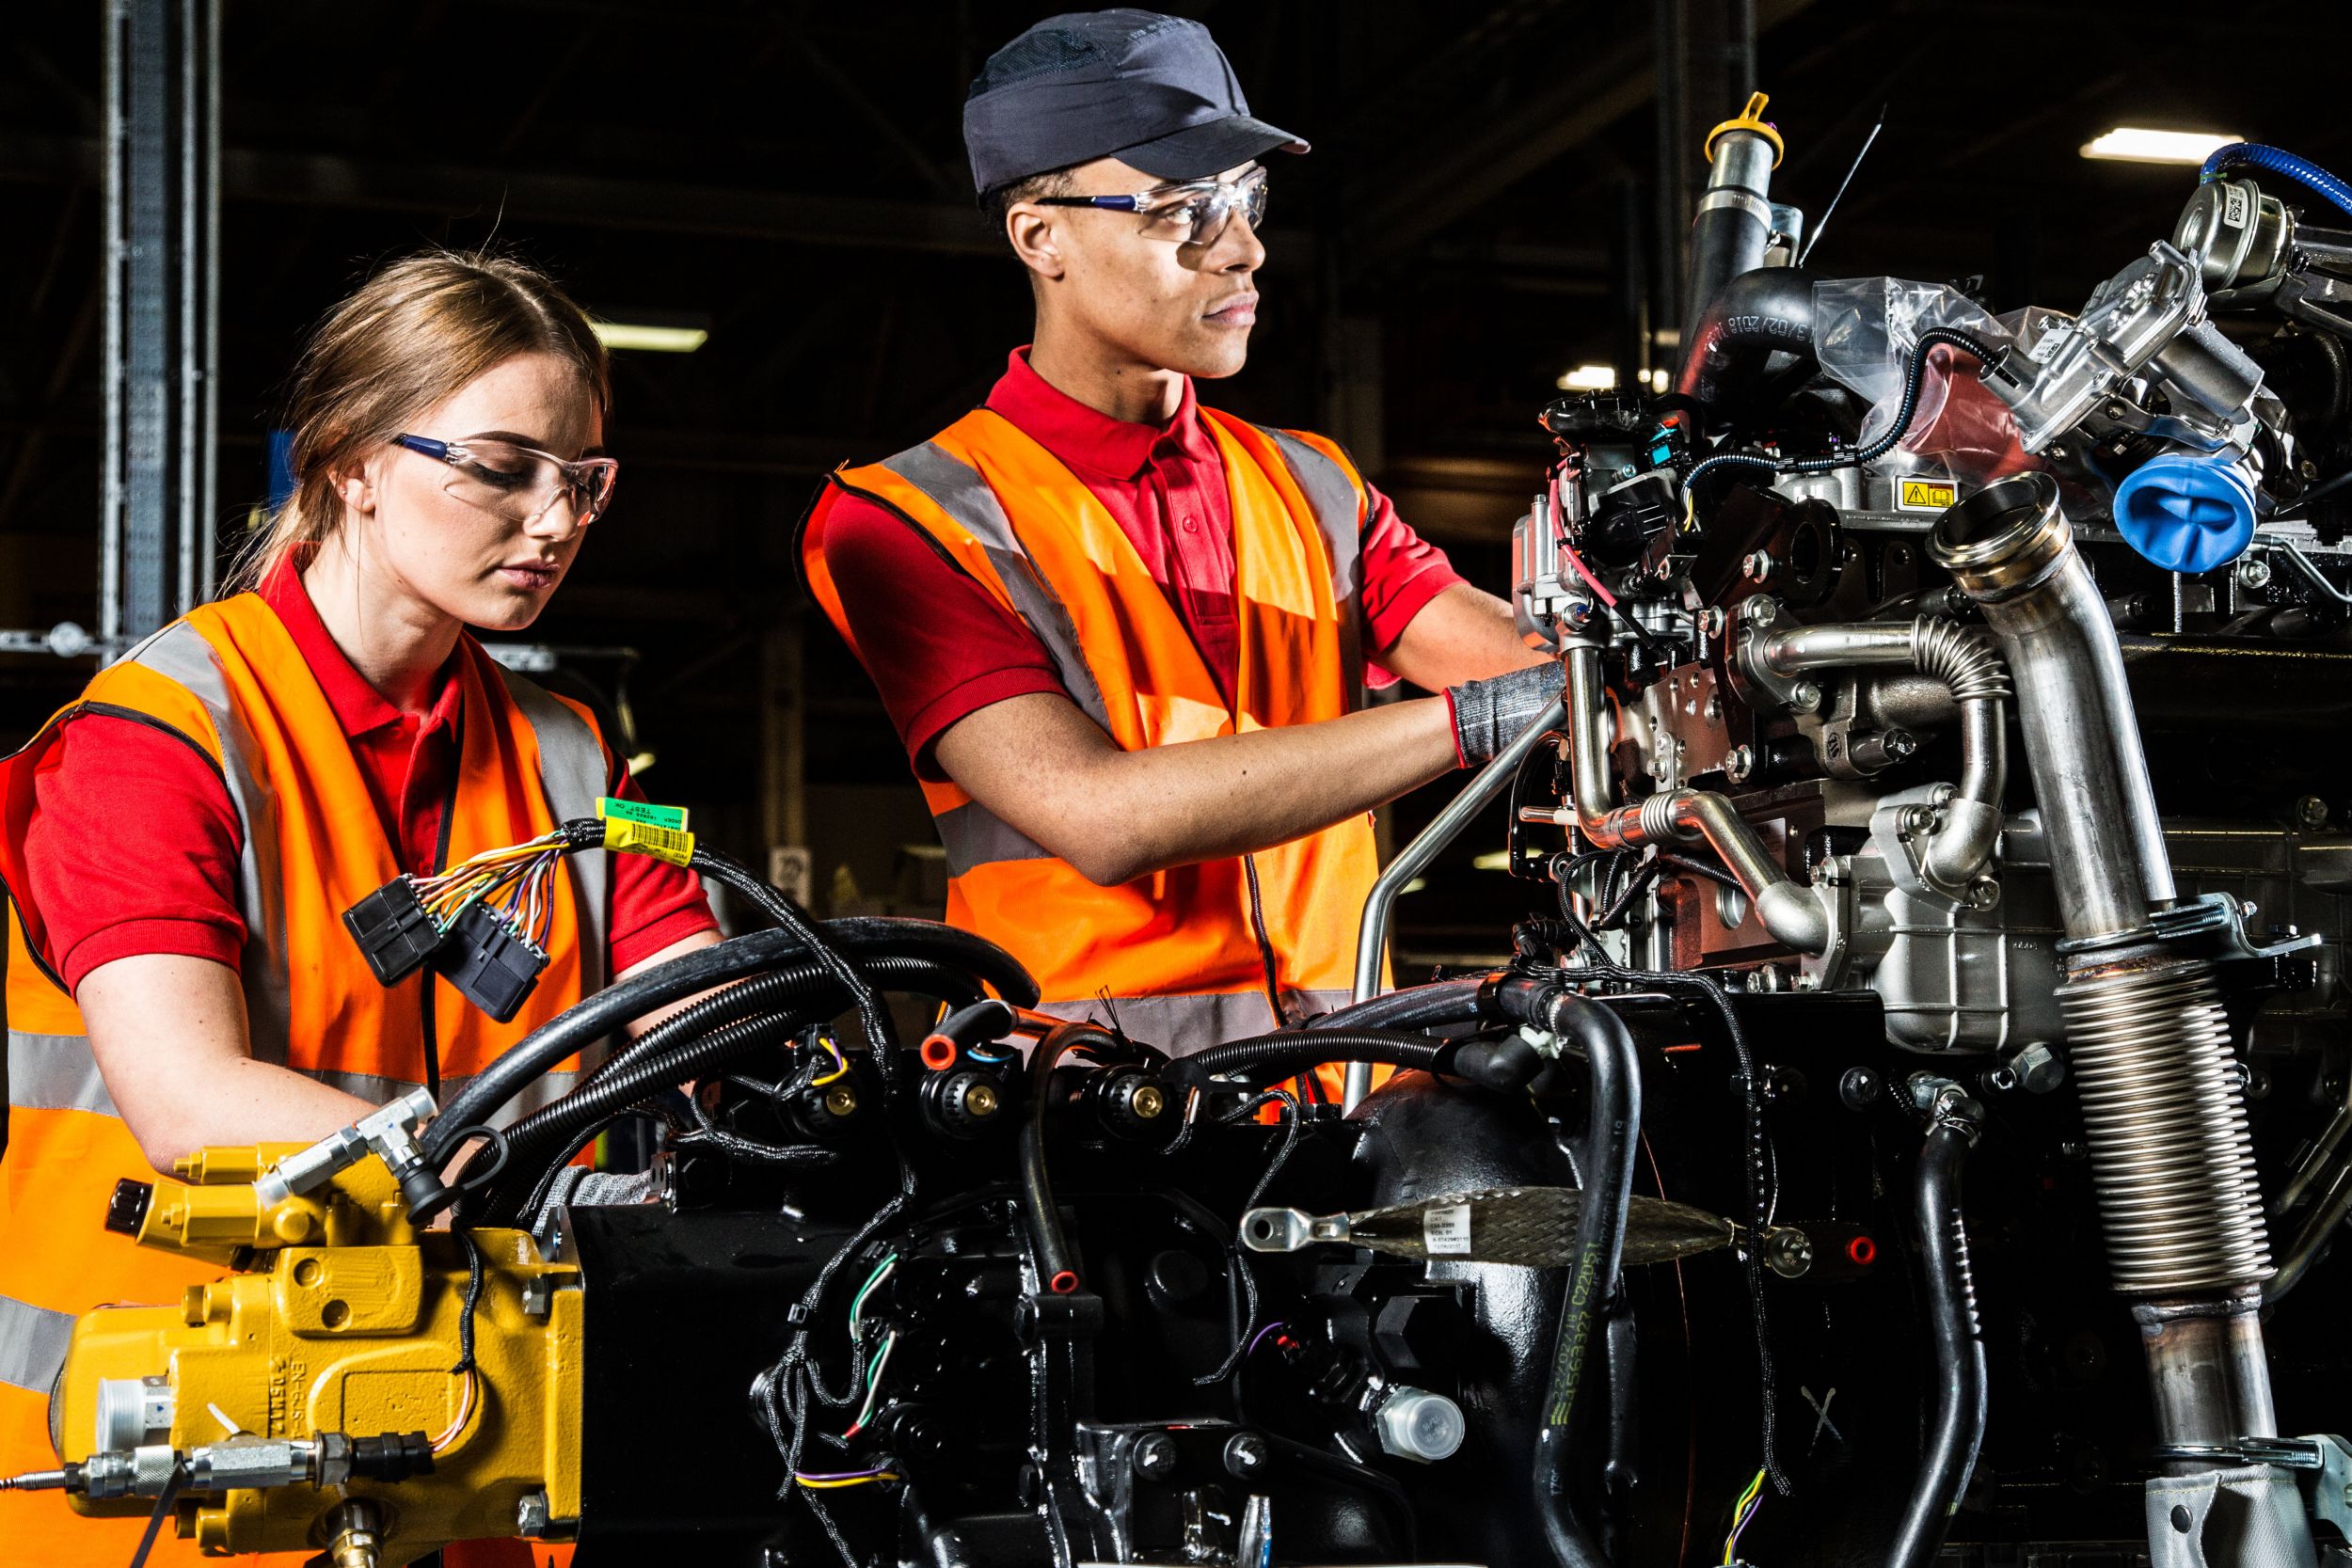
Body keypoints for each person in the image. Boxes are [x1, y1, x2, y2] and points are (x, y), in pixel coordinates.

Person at [0, 250, 721, 1563]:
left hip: (474, 1467)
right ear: (352, 460)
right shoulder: (157, 735)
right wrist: (509, 1171)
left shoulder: (583, 759)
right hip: (183, 1473)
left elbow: (709, 997)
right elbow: (187, 1097)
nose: (554, 520)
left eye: (583, 479)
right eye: (502, 466)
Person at [801, 9, 1562, 1063]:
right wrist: (1491, 717)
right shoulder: (909, 518)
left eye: (1246, 201)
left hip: (1343, 1098)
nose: (1244, 249)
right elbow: (1099, 816)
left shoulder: (1315, 485)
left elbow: (1551, 670)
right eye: (1183, 212)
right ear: (1042, 236)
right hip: (1083, 1125)